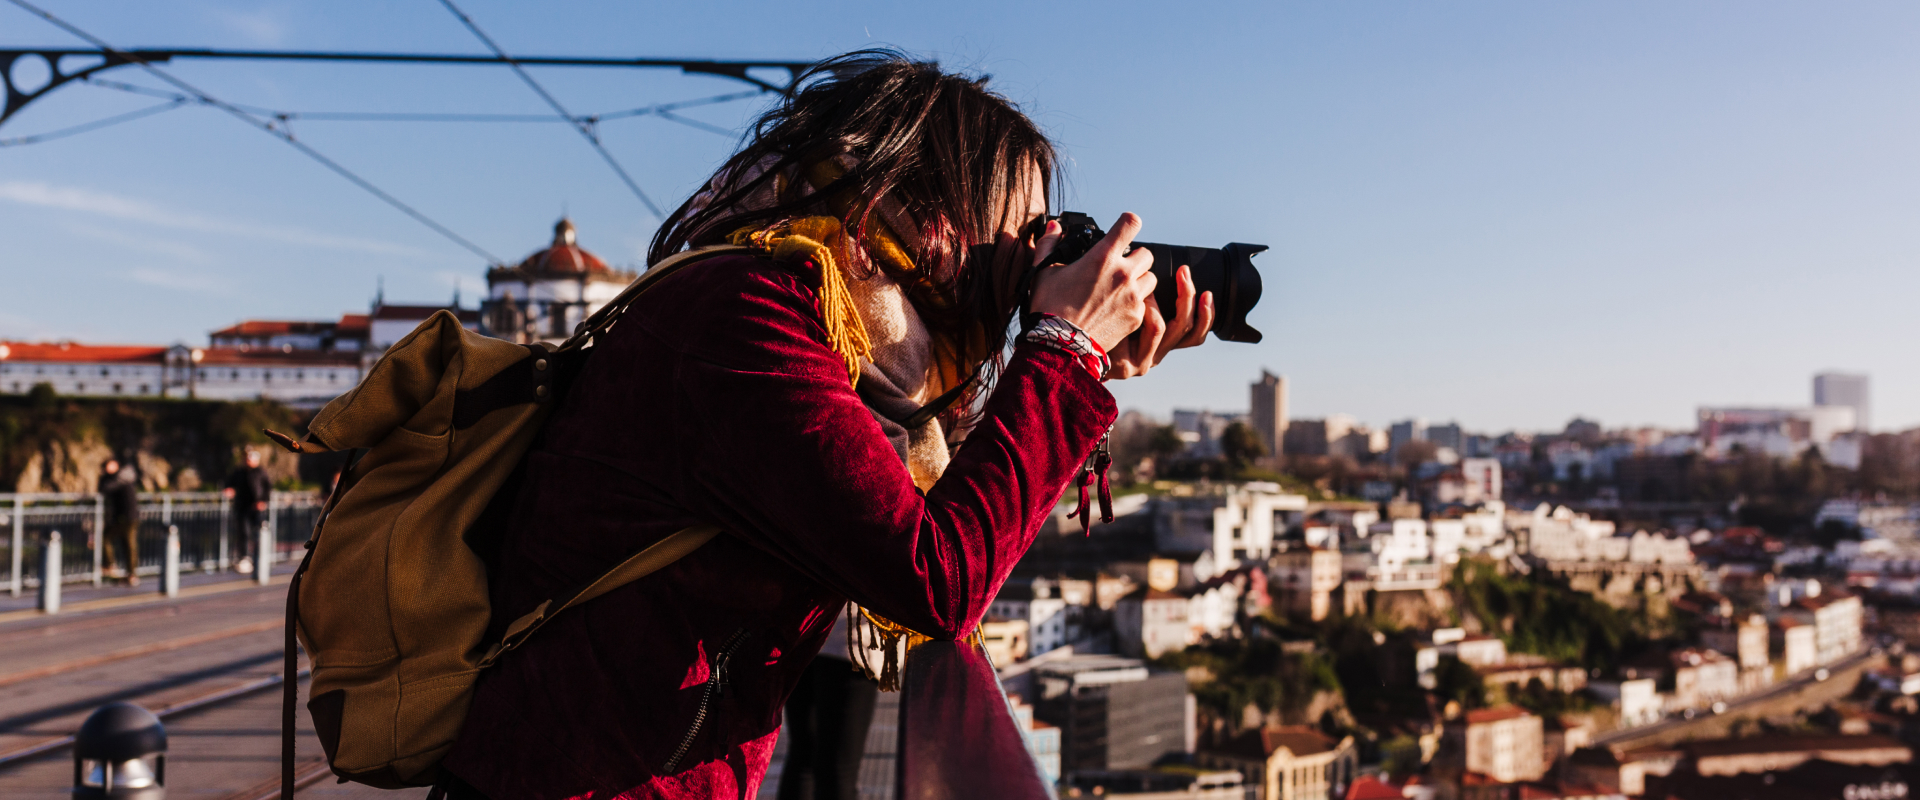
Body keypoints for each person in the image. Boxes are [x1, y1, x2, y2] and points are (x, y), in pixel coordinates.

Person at [440, 50, 1213, 800]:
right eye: (1020, 227)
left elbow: (955, 519)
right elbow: (939, 575)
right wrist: (1063, 348)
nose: (1036, 252)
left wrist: (1080, 369)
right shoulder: (749, 314)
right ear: (933, 211)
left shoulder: (835, 338)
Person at [222, 448, 271, 575]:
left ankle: (259, 557)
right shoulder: (238, 472)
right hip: (242, 507)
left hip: (257, 507)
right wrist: (229, 490)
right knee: (243, 532)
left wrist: (263, 501)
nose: (247, 461)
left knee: (260, 532)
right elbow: (229, 483)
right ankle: (245, 558)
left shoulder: (261, 472)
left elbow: (268, 488)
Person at [99, 458, 141, 586]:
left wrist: (104, 477)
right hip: (124, 517)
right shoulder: (125, 476)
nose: (107, 468)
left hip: (128, 517)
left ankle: (116, 567)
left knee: (128, 545)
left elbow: (105, 488)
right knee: (127, 545)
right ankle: (129, 573)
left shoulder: (121, 477)